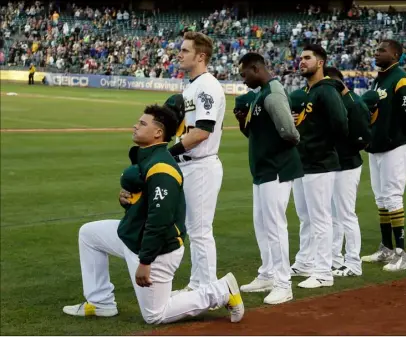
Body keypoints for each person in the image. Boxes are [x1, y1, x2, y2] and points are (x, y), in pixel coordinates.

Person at [63, 101, 244, 324]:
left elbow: (160, 220)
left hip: (158, 249)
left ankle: (221, 290)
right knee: (89, 234)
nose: (135, 126)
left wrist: (145, 261)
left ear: (158, 132)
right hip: (133, 236)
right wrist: (126, 201)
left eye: (141, 123)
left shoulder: (161, 167)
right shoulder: (146, 158)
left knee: (155, 315)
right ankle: (100, 303)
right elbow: (143, 204)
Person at [237, 52, 303, 305]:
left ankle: (283, 284)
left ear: (256, 69)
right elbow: (259, 134)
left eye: (244, 74)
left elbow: (288, 131)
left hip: (276, 167)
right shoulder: (261, 94)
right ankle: (267, 274)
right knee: (262, 224)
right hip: (264, 168)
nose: (243, 80)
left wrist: (291, 140)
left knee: (274, 226)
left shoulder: (272, 94)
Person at [167, 32, 225, 295]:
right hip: (188, 164)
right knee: (193, 228)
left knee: (200, 230)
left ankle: (209, 289)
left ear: (201, 56)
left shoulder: (207, 86)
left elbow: (203, 131)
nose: (179, 54)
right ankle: (197, 284)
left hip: (201, 165)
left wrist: (169, 153)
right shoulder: (191, 85)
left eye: (185, 50)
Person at [289, 45, 348, 288]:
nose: (301, 62)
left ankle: (324, 272)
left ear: (320, 62)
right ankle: (305, 262)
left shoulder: (326, 91)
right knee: (306, 217)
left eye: (307, 58)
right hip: (304, 162)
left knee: (321, 218)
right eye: (300, 58)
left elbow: (341, 125)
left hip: (320, 163)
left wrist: (322, 147)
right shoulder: (311, 92)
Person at [361, 40, 406, 271]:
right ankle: (387, 248)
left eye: (382, 50)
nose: (376, 53)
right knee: (381, 199)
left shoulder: (402, 79)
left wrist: (393, 130)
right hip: (378, 145)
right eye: (375, 49)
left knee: (393, 197)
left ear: (395, 54)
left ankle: (402, 254)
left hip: (396, 144)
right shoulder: (381, 78)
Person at [323, 66, 372, 276]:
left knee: (346, 214)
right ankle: (335, 258)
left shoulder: (354, 104)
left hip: (348, 164)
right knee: (334, 215)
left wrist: (342, 147)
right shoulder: (339, 101)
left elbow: (362, 138)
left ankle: (353, 262)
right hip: (335, 163)